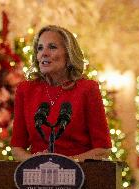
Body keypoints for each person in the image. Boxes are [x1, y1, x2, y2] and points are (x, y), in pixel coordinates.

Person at [11, 25, 111, 162]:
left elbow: (103, 150)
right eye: (40, 48)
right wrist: (33, 161)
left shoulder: (88, 89)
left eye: (52, 47)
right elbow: (17, 148)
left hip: (79, 176)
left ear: (68, 54)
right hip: (37, 176)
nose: (44, 53)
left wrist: (67, 163)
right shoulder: (25, 90)